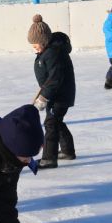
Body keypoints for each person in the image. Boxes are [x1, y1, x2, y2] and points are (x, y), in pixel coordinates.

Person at [28, 14, 76, 168]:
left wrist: (43, 97)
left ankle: (49, 158)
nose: (34, 48)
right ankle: (68, 151)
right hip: (56, 94)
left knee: (50, 123)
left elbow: (55, 79)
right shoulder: (47, 52)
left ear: (44, 41)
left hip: (60, 95)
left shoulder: (53, 53)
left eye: (36, 45)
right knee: (56, 121)